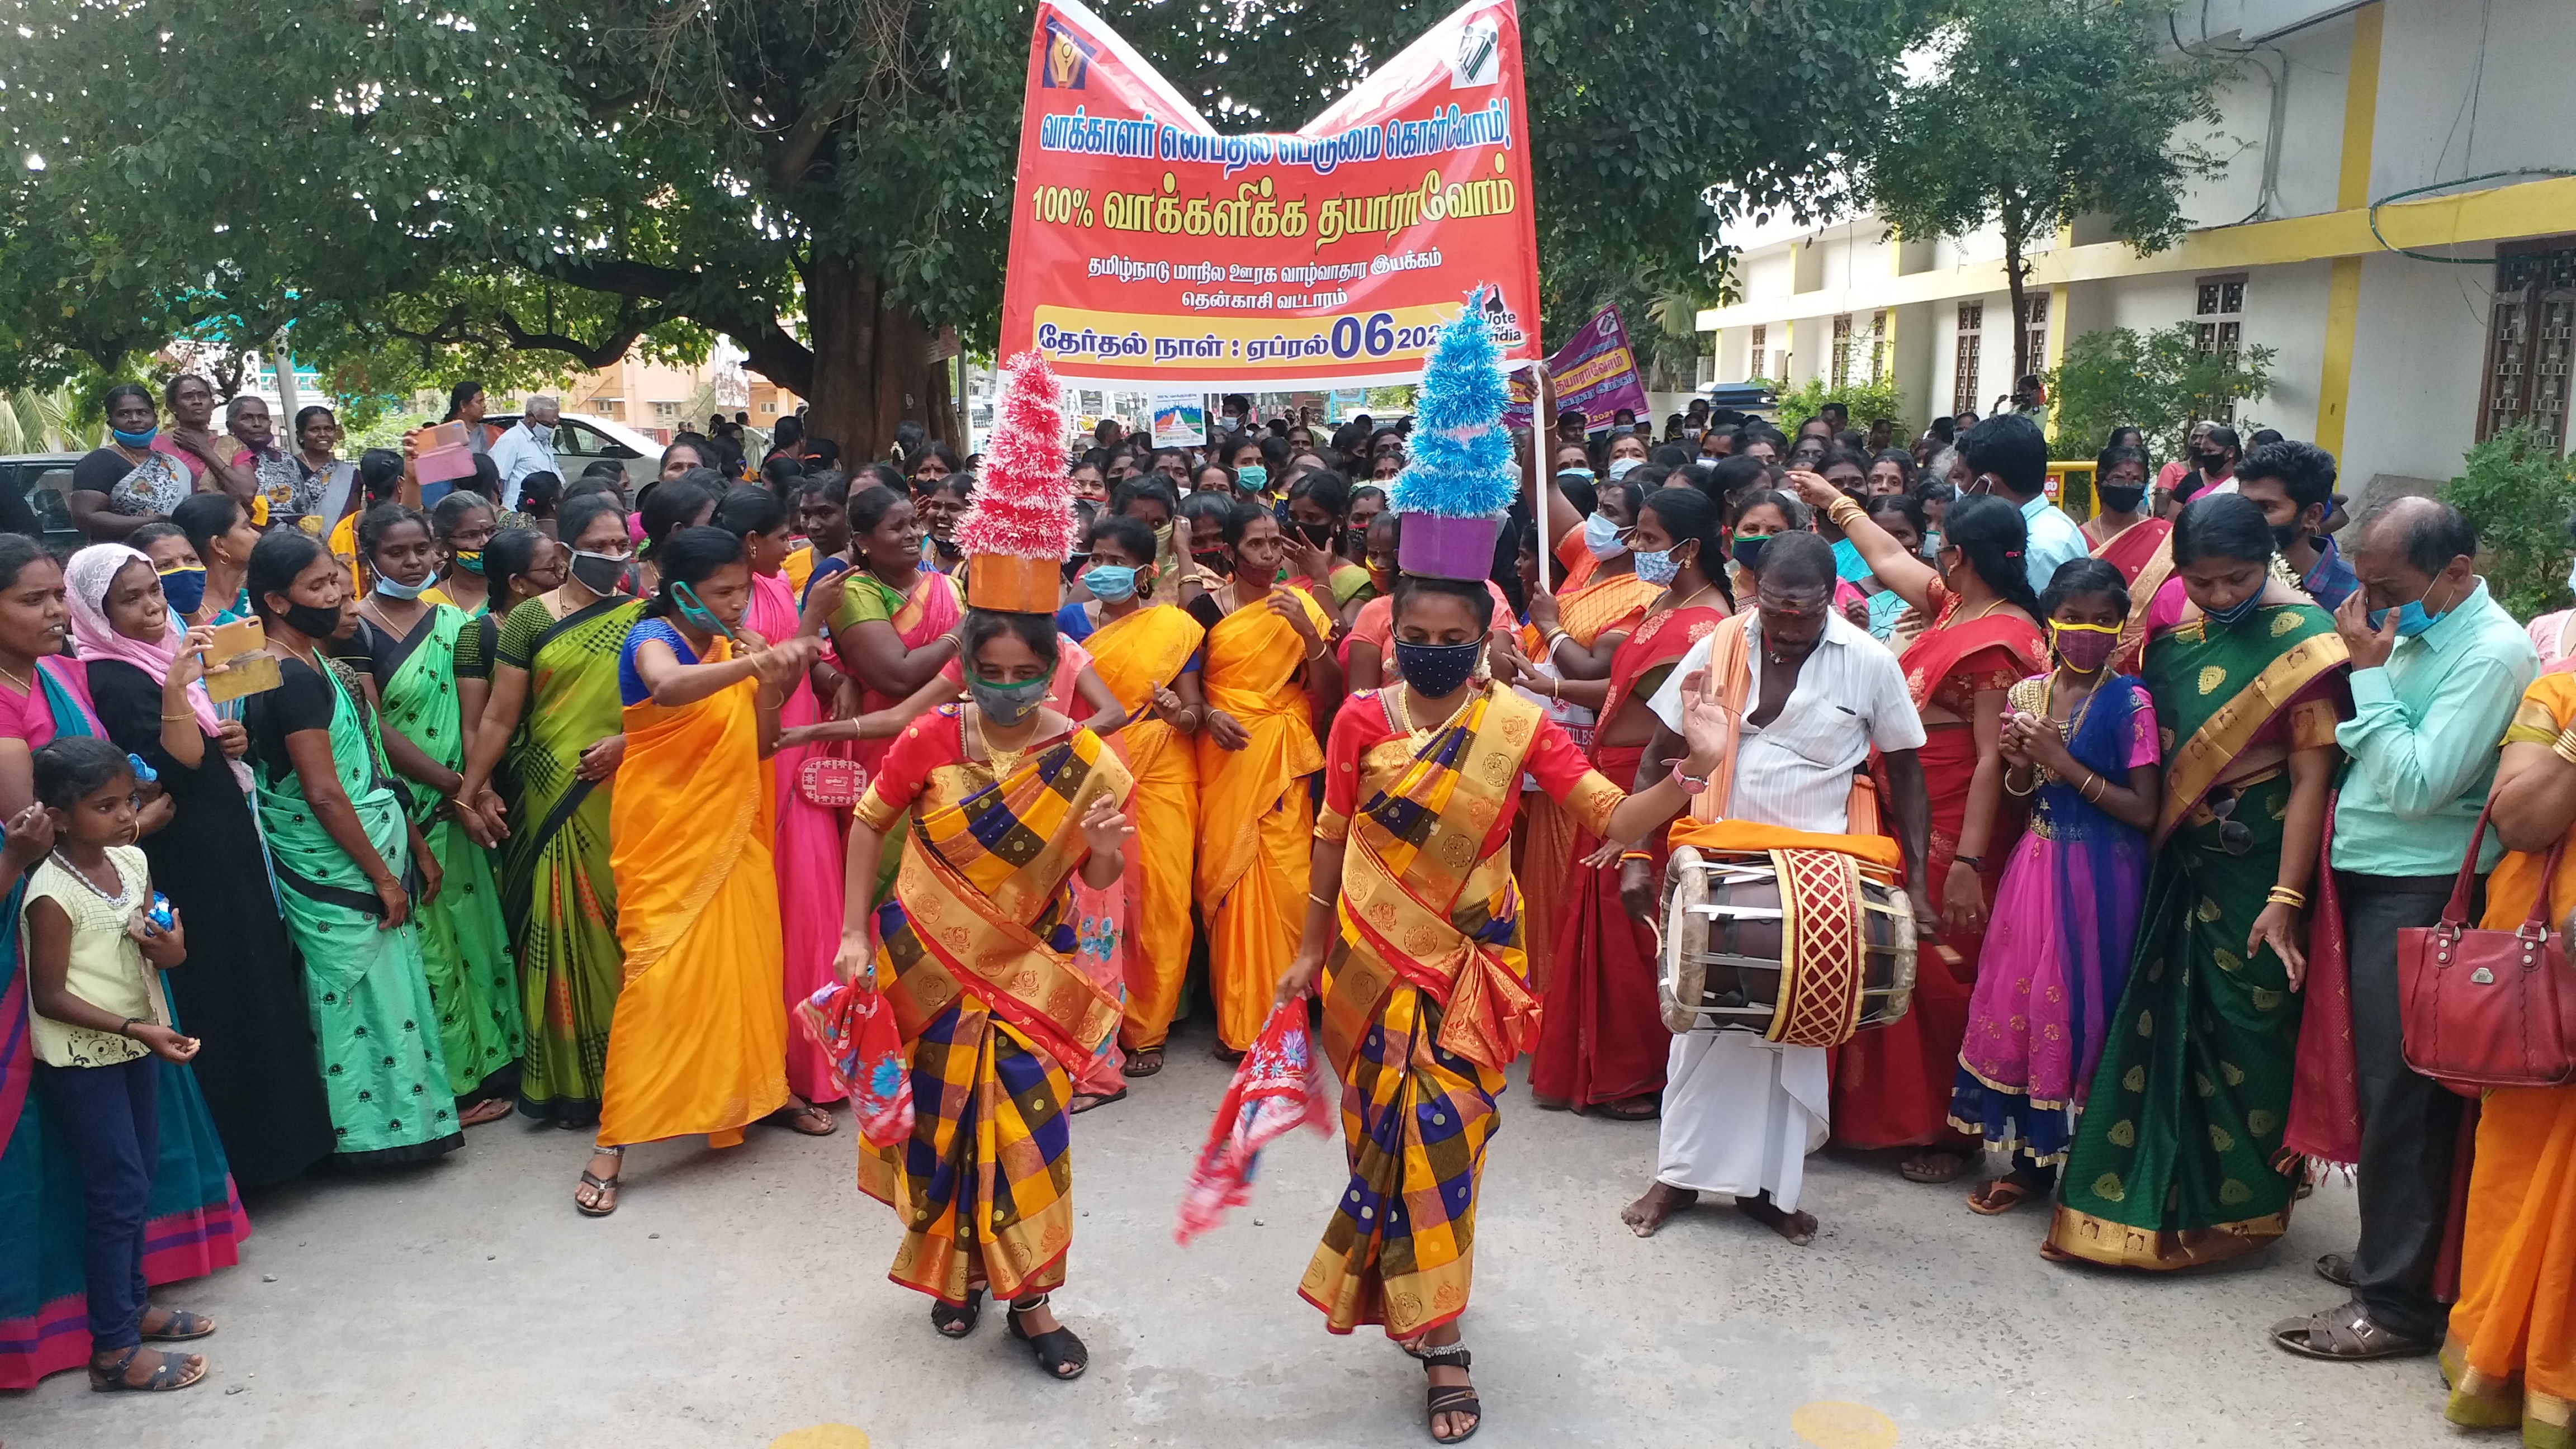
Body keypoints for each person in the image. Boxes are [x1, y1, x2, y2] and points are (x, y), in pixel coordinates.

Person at [1277, 570, 1732, 1442]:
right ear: (1394, 629)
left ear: (1488, 641)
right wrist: (1306, 948)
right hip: (1370, 967)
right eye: (1419, 633)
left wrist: (1694, 769)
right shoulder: (1361, 720)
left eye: (1455, 639)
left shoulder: (1515, 727)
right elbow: (1331, 835)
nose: (1434, 651)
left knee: (1446, 1140)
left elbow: (1611, 814)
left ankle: (1442, 1337)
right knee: (1380, 1138)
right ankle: (1412, 1287)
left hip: (1471, 969)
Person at [822, 607, 1134, 1379]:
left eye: (1021, 674)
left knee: (1032, 1137)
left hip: (1030, 970)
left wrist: (1102, 853)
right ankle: (956, 1272)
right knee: (937, 1131)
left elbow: (1095, 878)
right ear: (965, 667)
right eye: (987, 674)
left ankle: (1031, 1301)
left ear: (1051, 666)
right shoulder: (931, 737)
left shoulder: (1079, 752)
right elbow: (870, 824)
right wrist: (853, 933)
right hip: (925, 966)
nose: (1005, 688)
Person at [2048, 494, 2349, 1270]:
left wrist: (2287, 901)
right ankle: (2137, 1199)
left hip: (2259, 862)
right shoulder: (2179, 640)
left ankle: (2241, 1206)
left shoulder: (2308, 643)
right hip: (2181, 852)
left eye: (2236, 580)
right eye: (2200, 582)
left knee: (2248, 1026)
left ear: (2270, 559)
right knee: (2159, 1016)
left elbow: (2315, 777)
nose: (2218, 598)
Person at [2270, 498, 2535, 1358]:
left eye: (2390, 586)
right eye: (2370, 585)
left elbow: (2421, 785)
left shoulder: (2492, 652)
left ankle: (2396, 1307)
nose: (2375, 604)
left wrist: (2369, 675)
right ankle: (2393, 1262)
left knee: (2406, 1100)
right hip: (2371, 875)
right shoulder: (2417, 629)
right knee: (2377, 1086)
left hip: (2421, 891)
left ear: (2456, 572)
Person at [1618, 531, 1936, 1244]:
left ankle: (1769, 1189)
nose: (1789, 626)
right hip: (1716, 864)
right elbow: (1657, 754)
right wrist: (1638, 858)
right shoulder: (1720, 644)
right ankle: (1677, 1176)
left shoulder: (1871, 663)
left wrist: (1915, 882)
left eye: (1806, 612)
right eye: (1775, 609)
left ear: (1833, 599)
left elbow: (1908, 774)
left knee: (1797, 1029)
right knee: (1698, 1025)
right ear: (1753, 592)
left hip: (1818, 876)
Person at [1798, 478, 2048, 1181]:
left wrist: (1968, 859)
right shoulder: (1954, 608)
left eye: (1939, 543)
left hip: (1953, 831)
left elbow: (1994, 760)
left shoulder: (2001, 638)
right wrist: (1834, 503)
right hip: (1903, 812)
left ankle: (1946, 1130)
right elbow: (1883, 557)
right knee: (1889, 958)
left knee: (1937, 969)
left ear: (1956, 553)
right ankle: (1876, 1117)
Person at [574, 528, 823, 1215]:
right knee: (655, 983)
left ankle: (761, 1094)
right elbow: (669, 686)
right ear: (678, 590)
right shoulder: (650, 638)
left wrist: (771, 678)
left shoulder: (734, 647)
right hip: (665, 837)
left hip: (731, 833)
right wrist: (757, 664)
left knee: (746, 969)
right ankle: (613, 1141)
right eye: (722, 593)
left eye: (743, 589)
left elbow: (763, 742)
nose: (739, 603)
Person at [70, 544, 335, 1188]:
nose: (151, 606)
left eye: (152, 590)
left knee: (259, 974)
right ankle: (253, 1161)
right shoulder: (110, 674)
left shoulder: (167, 652)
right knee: (219, 988)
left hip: (227, 841)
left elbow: (209, 743)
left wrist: (230, 736)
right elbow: (174, 768)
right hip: (184, 856)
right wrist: (177, 690)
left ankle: (297, 1144)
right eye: (129, 599)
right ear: (96, 612)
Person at [239, 530, 463, 1166]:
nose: (338, 592)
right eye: (319, 585)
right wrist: (384, 880)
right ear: (278, 601)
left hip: (370, 845)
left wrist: (413, 845)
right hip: (338, 861)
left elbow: (366, 762)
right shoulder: (289, 677)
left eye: (337, 578)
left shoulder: (316, 664)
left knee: (386, 986)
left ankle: (400, 1120)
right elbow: (324, 792)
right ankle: (365, 1135)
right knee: (351, 989)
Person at [1948, 558, 2160, 1214]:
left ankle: (2093, 1163)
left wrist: (2060, 762)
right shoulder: (2027, 695)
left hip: (2104, 874)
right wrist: (2019, 764)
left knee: (2082, 1006)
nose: (2089, 631)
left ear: (2123, 627)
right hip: (2037, 865)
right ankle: (2029, 1164)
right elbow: (2021, 790)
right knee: (2022, 1002)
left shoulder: (2132, 701)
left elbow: (2144, 809)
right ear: (2050, 621)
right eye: (2075, 618)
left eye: (2105, 620)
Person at [22, 738, 220, 1393]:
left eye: (128, 801)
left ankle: (133, 1306)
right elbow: (50, 997)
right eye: (104, 806)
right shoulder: (50, 893)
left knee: (135, 1180)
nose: (124, 817)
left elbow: (167, 950)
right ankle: (111, 1348)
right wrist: (139, 1027)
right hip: (85, 1059)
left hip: (138, 1045)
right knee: (115, 1192)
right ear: (56, 816)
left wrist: (171, 946)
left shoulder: (132, 862)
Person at [1530, 486, 1731, 1116]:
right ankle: (1601, 1066)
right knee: (1606, 924)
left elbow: (1666, 730)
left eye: (1647, 538)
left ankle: (1635, 1073)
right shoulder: (1667, 603)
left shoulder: (1703, 623)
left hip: (1651, 783)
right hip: (1614, 773)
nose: (1637, 548)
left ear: (1689, 548)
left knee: (1634, 928)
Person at [454, 493, 642, 1126]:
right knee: (568, 929)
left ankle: (644, 1076)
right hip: (553, 792)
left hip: (630, 785)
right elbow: (501, 716)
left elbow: (671, 708)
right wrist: (471, 790)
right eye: (601, 545)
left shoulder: (646, 613)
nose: (614, 556)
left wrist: (628, 744)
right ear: (566, 551)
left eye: (623, 544)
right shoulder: (532, 620)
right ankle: (581, 1083)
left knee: (627, 925)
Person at [343, 505, 526, 1127]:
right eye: (399, 554)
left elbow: (483, 715)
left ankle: (501, 1059)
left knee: (481, 934)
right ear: (370, 559)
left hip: (469, 804)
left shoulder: (456, 621)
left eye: (423, 549)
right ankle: (456, 1079)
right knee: (435, 950)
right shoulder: (358, 631)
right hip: (417, 807)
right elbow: (374, 728)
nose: (415, 562)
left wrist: (481, 787)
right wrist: (456, 787)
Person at [2436, 669, 2576, 1441]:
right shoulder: (2558, 697)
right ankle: (2515, 1368)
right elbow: (2520, 822)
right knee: (2521, 1171)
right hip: (2549, 983)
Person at [710, 486, 851, 1119]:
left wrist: (834, 678)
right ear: (750, 544)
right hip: (767, 768)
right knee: (792, 915)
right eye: (780, 537)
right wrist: (815, 616)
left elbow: (803, 666)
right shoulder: (732, 603)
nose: (790, 545)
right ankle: (791, 1072)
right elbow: (773, 678)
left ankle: (829, 1061)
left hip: (803, 760)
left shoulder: (770, 585)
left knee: (819, 909)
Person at [1052, 513, 1204, 1079]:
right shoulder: (1067, 620)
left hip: (1162, 766)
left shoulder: (1175, 627)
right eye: (1097, 558)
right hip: (1088, 765)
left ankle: (1147, 1028)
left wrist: (1176, 714)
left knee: (1159, 900)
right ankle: (1091, 1021)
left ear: (1146, 571)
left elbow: (1192, 714)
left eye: (1117, 562)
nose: (1104, 570)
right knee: (1093, 898)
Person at [1192, 502, 1342, 1058]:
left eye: (1276, 542)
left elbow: (1329, 689)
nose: (1269, 553)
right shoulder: (1206, 610)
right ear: (1230, 552)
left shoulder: (1300, 605)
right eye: (1256, 544)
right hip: (1229, 757)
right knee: (1230, 882)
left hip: (1283, 757)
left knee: (1286, 882)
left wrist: (1307, 630)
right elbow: (1191, 684)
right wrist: (1209, 713)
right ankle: (1242, 1022)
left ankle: (1287, 1021)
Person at [1959, 414, 2085, 595]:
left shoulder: (2035, 549)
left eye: (1961, 477)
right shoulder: (2049, 523)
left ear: (1988, 486)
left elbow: (2031, 620)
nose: (1959, 488)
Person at [2233, 441, 2357, 610]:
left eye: (2265, 508)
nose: (2246, 517)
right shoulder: (2223, 581)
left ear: (2311, 516)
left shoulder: (2357, 595)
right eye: (2242, 504)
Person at [70, 383, 195, 539]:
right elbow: (85, 518)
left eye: (143, 413)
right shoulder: (99, 462)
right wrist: (152, 522)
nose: (135, 419)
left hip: (173, 554)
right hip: (121, 556)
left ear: (155, 418)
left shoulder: (174, 465)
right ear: (111, 423)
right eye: (124, 414)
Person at [169, 492, 258, 626]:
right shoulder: (186, 617)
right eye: (246, 528)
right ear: (218, 545)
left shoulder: (257, 602)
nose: (257, 535)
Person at [2083, 444, 2168, 584]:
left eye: (2136, 480)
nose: (2127, 486)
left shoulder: (2165, 536)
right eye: (2118, 479)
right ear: (2099, 486)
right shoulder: (2081, 539)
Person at [286, 406, 358, 526]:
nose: (323, 434)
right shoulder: (286, 468)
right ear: (300, 435)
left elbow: (353, 516)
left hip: (337, 542)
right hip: (293, 541)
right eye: (314, 430)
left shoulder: (349, 474)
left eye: (328, 429)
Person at [489, 397, 561, 508]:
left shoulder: (542, 441)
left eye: (554, 425)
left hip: (540, 512)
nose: (550, 429)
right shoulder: (511, 440)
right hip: (517, 513)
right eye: (546, 424)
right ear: (529, 418)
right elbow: (496, 482)